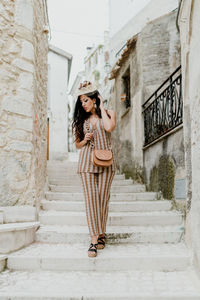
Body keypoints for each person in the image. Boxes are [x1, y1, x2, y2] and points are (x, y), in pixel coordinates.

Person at [72, 80, 116, 258]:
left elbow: (109, 127)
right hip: (86, 163)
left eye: (86, 100)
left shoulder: (108, 113)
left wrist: (103, 106)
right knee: (91, 201)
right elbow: (77, 144)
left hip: (106, 162)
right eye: (81, 101)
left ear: (95, 99)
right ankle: (93, 240)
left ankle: (102, 232)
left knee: (102, 198)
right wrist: (86, 139)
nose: (83, 104)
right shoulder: (80, 120)